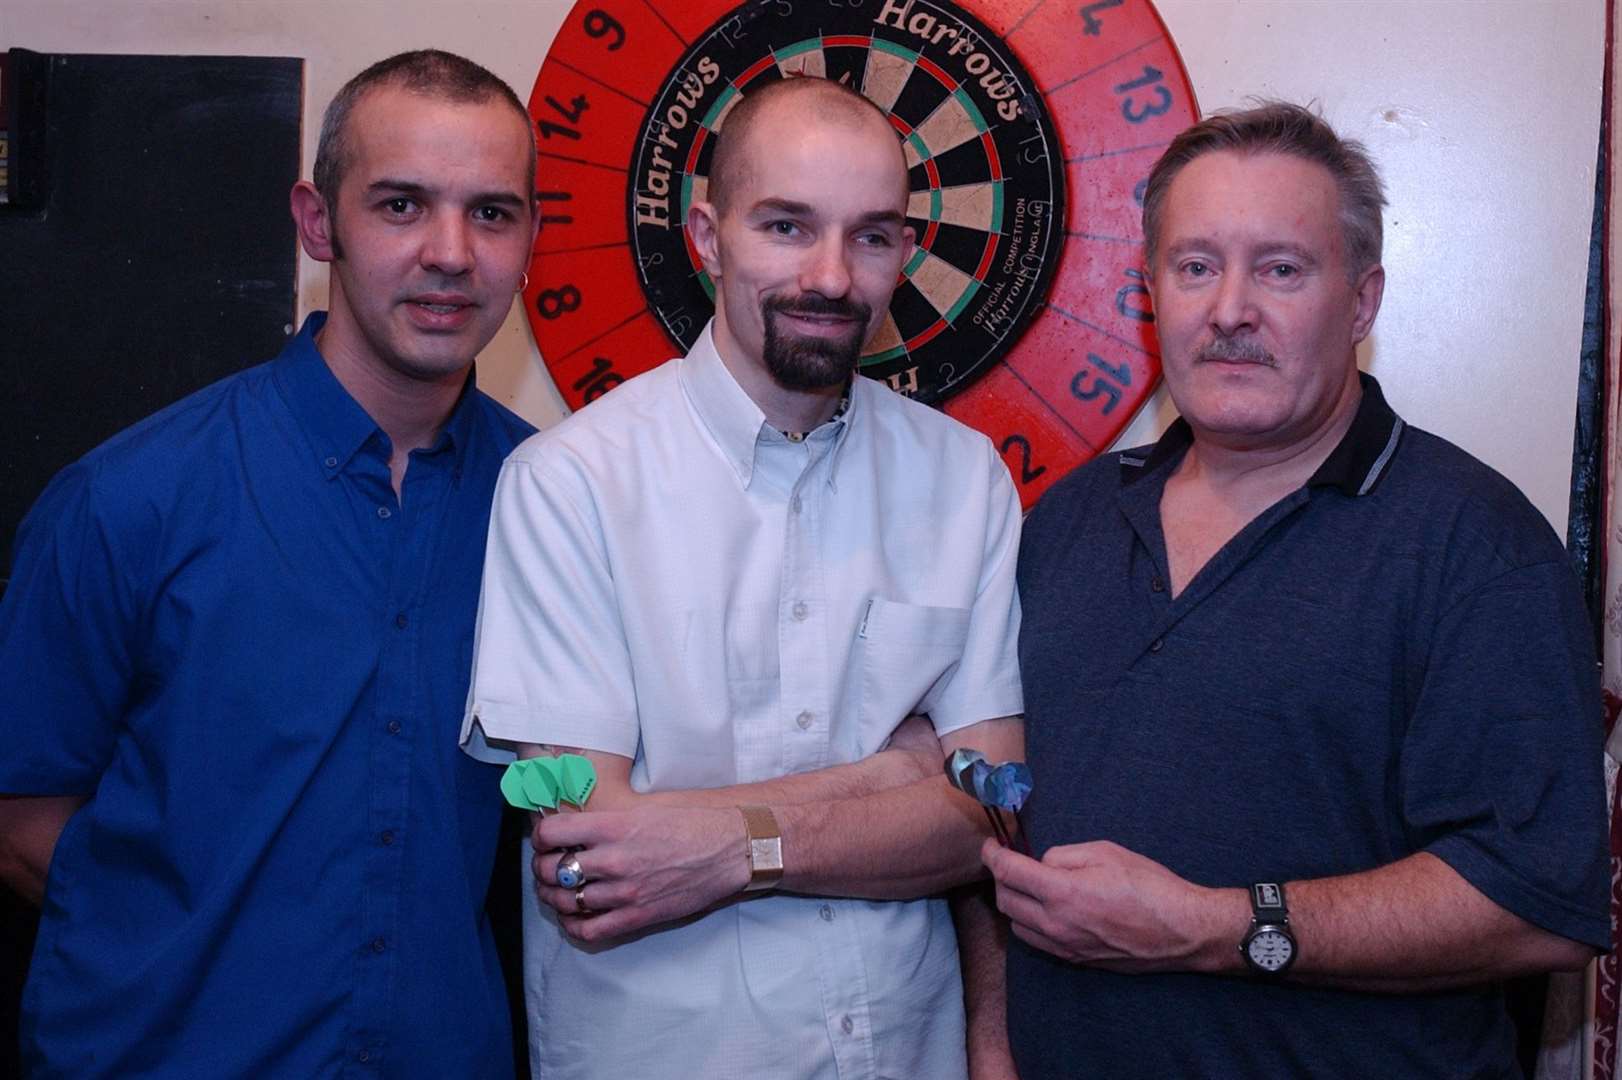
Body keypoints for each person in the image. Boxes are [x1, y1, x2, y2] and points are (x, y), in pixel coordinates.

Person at [986, 101, 1610, 1078]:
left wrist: (1211, 927)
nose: (1229, 308)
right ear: (1150, 291)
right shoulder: (1065, 522)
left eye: (1279, 269)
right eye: (1195, 267)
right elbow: (990, 826)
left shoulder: (1471, 545)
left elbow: (1536, 904)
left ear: (1359, 303)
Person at [461, 76, 1024, 1080]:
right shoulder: (569, 485)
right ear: (708, 238)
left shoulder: (962, 479)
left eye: (872, 235)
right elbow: (592, 863)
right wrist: (892, 781)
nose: (831, 275)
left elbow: (992, 814)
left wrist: (723, 846)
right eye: (784, 226)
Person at [0, 50, 538, 1077]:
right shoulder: (129, 500)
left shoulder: (552, 506)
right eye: (399, 205)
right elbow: (22, 823)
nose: (449, 252)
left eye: (492, 213)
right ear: (315, 221)